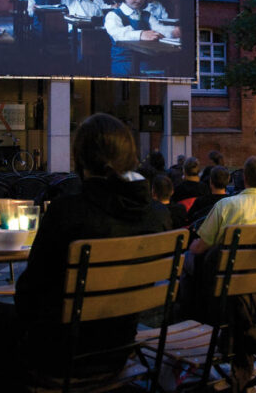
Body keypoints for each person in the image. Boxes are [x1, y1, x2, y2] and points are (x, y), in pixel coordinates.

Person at [15, 113, 171, 371]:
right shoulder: (158, 215)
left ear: (81, 157)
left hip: (59, 353)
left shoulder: (68, 211)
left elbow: (29, 295)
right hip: (119, 348)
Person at [102, 0, 179, 76]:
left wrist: (173, 32)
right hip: (124, 66)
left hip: (146, 64)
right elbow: (118, 34)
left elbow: (159, 28)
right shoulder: (113, 16)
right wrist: (141, 34)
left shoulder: (146, 15)